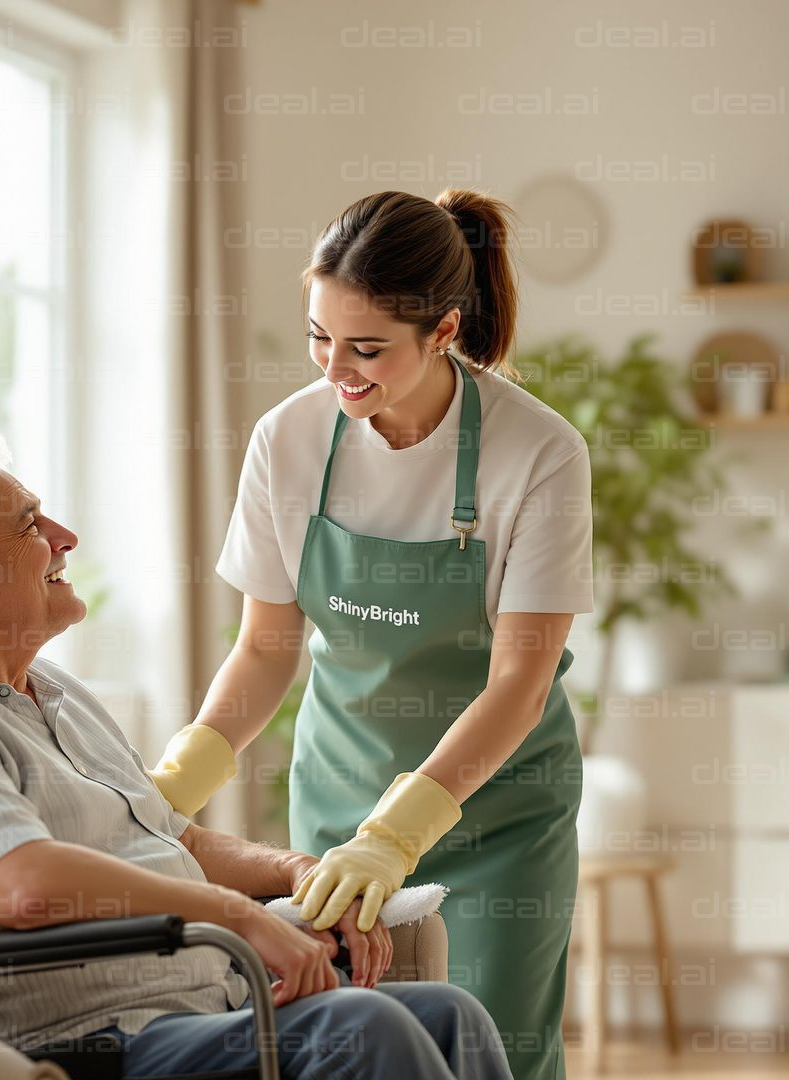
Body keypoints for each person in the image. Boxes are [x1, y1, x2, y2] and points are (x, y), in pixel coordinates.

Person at [0, 428, 514, 1080]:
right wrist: (238, 915)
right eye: (31, 526)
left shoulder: (50, 688)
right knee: (358, 1028)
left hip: (196, 1008)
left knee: (454, 1016)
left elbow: (173, 835)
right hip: (88, 1037)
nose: (66, 538)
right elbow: (20, 887)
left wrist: (296, 872)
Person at [147, 189, 595, 1080]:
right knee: (358, 1043)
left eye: (366, 348)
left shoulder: (537, 452)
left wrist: (398, 836)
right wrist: (171, 787)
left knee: (494, 1042)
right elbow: (269, 644)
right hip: (338, 808)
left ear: (443, 331)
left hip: (497, 811)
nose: (335, 370)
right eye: (320, 337)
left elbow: (520, 681)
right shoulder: (290, 438)